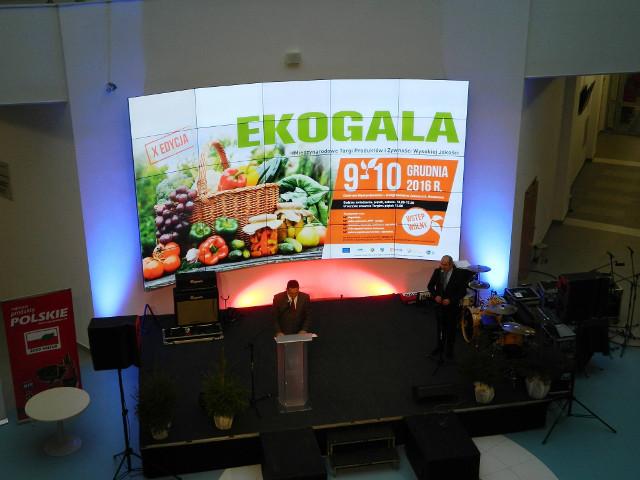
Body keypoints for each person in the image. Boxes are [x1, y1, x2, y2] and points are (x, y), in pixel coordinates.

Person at [427, 255, 468, 359]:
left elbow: (462, 292)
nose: (442, 266)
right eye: (441, 263)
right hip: (439, 307)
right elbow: (430, 286)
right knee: (440, 328)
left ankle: (449, 352)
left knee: (451, 330)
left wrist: (451, 300)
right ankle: (439, 347)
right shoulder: (438, 272)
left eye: (445, 265)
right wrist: (435, 295)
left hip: (452, 308)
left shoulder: (459, 274)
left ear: (451, 265)